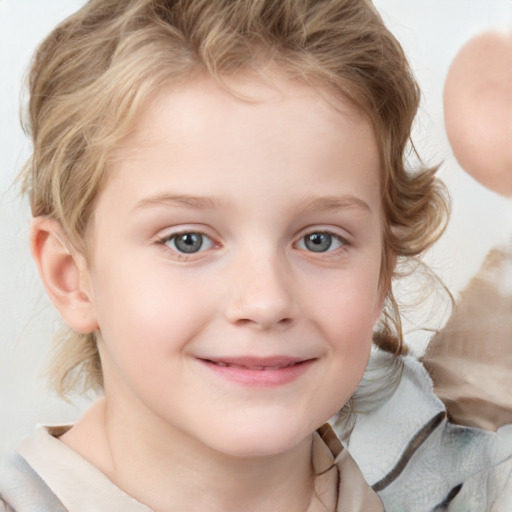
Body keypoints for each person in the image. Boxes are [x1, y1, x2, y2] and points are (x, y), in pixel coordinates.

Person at [1, 1, 511, 511]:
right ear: (71, 276)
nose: (265, 302)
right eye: (188, 241)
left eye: (319, 240)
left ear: (384, 267)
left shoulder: (460, 476)